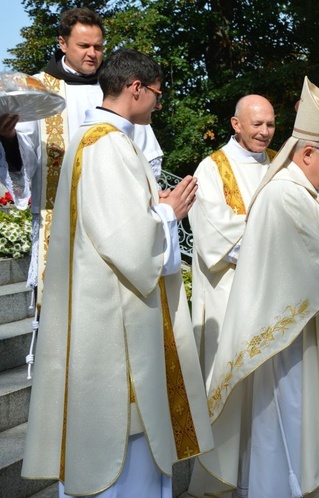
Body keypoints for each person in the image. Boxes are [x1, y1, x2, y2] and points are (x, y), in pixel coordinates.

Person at [188, 77, 319, 498]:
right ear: (306, 153)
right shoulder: (282, 192)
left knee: (285, 438)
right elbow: (312, 268)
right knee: (290, 436)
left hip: (295, 327)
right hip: (287, 337)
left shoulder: (298, 187)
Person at [21, 48, 213, 498]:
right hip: (113, 319)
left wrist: (156, 207)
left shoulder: (103, 140)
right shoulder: (106, 144)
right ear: (136, 89)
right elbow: (127, 244)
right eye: (158, 95)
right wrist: (168, 214)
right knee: (127, 454)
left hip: (107, 306)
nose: (160, 105)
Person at [0, 7, 162, 296]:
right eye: (84, 45)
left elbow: (147, 154)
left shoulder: (117, 88)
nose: (93, 53)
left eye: (99, 47)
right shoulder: (39, 91)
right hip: (60, 216)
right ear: (62, 43)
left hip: (115, 219)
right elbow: (24, 159)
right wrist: (8, 137)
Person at [189, 94, 276, 374]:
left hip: (278, 291)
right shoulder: (212, 168)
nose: (265, 132)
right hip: (230, 293)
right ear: (236, 124)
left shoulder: (281, 165)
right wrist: (274, 240)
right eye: (258, 124)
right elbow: (215, 237)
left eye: (271, 125)